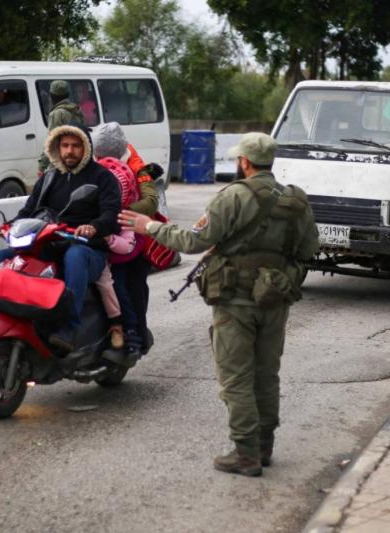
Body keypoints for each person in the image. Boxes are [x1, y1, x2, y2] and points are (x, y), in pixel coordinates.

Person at [119, 132, 319, 477]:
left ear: (244, 162)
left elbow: (194, 241)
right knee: (266, 376)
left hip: (235, 300)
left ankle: (245, 454)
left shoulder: (232, 197)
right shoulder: (295, 200)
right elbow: (308, 250)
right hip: (275, 299)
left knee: (236, 378)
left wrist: (148, 226)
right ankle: (264, 446)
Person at [0, 125, 121, 351]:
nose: (70, 151)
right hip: (46, 244)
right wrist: (7, 225)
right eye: (65, 145)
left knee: (75, 256)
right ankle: (2, 318)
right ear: (57, 148)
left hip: (88, 249)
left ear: (86, 148)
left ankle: (69, 327)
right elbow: (28, 211)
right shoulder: (49, 178)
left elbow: (112, 215)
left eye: (76, 146)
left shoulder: (103, 178)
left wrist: (93, 227)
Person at [91, 122, 159, 366]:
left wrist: (115, 211)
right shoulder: (89, 163)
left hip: (132, 238)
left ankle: (135, 336)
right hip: (102, 232)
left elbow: (151, 202)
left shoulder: (138, 168)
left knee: (129, 285)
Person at [37, 80, 86, 176]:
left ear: (51, 96)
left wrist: (42, 166)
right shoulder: (76, 110)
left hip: (60, 163)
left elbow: (51, 141)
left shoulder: (57, 114)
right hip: (76, 161)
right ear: (68, 94)